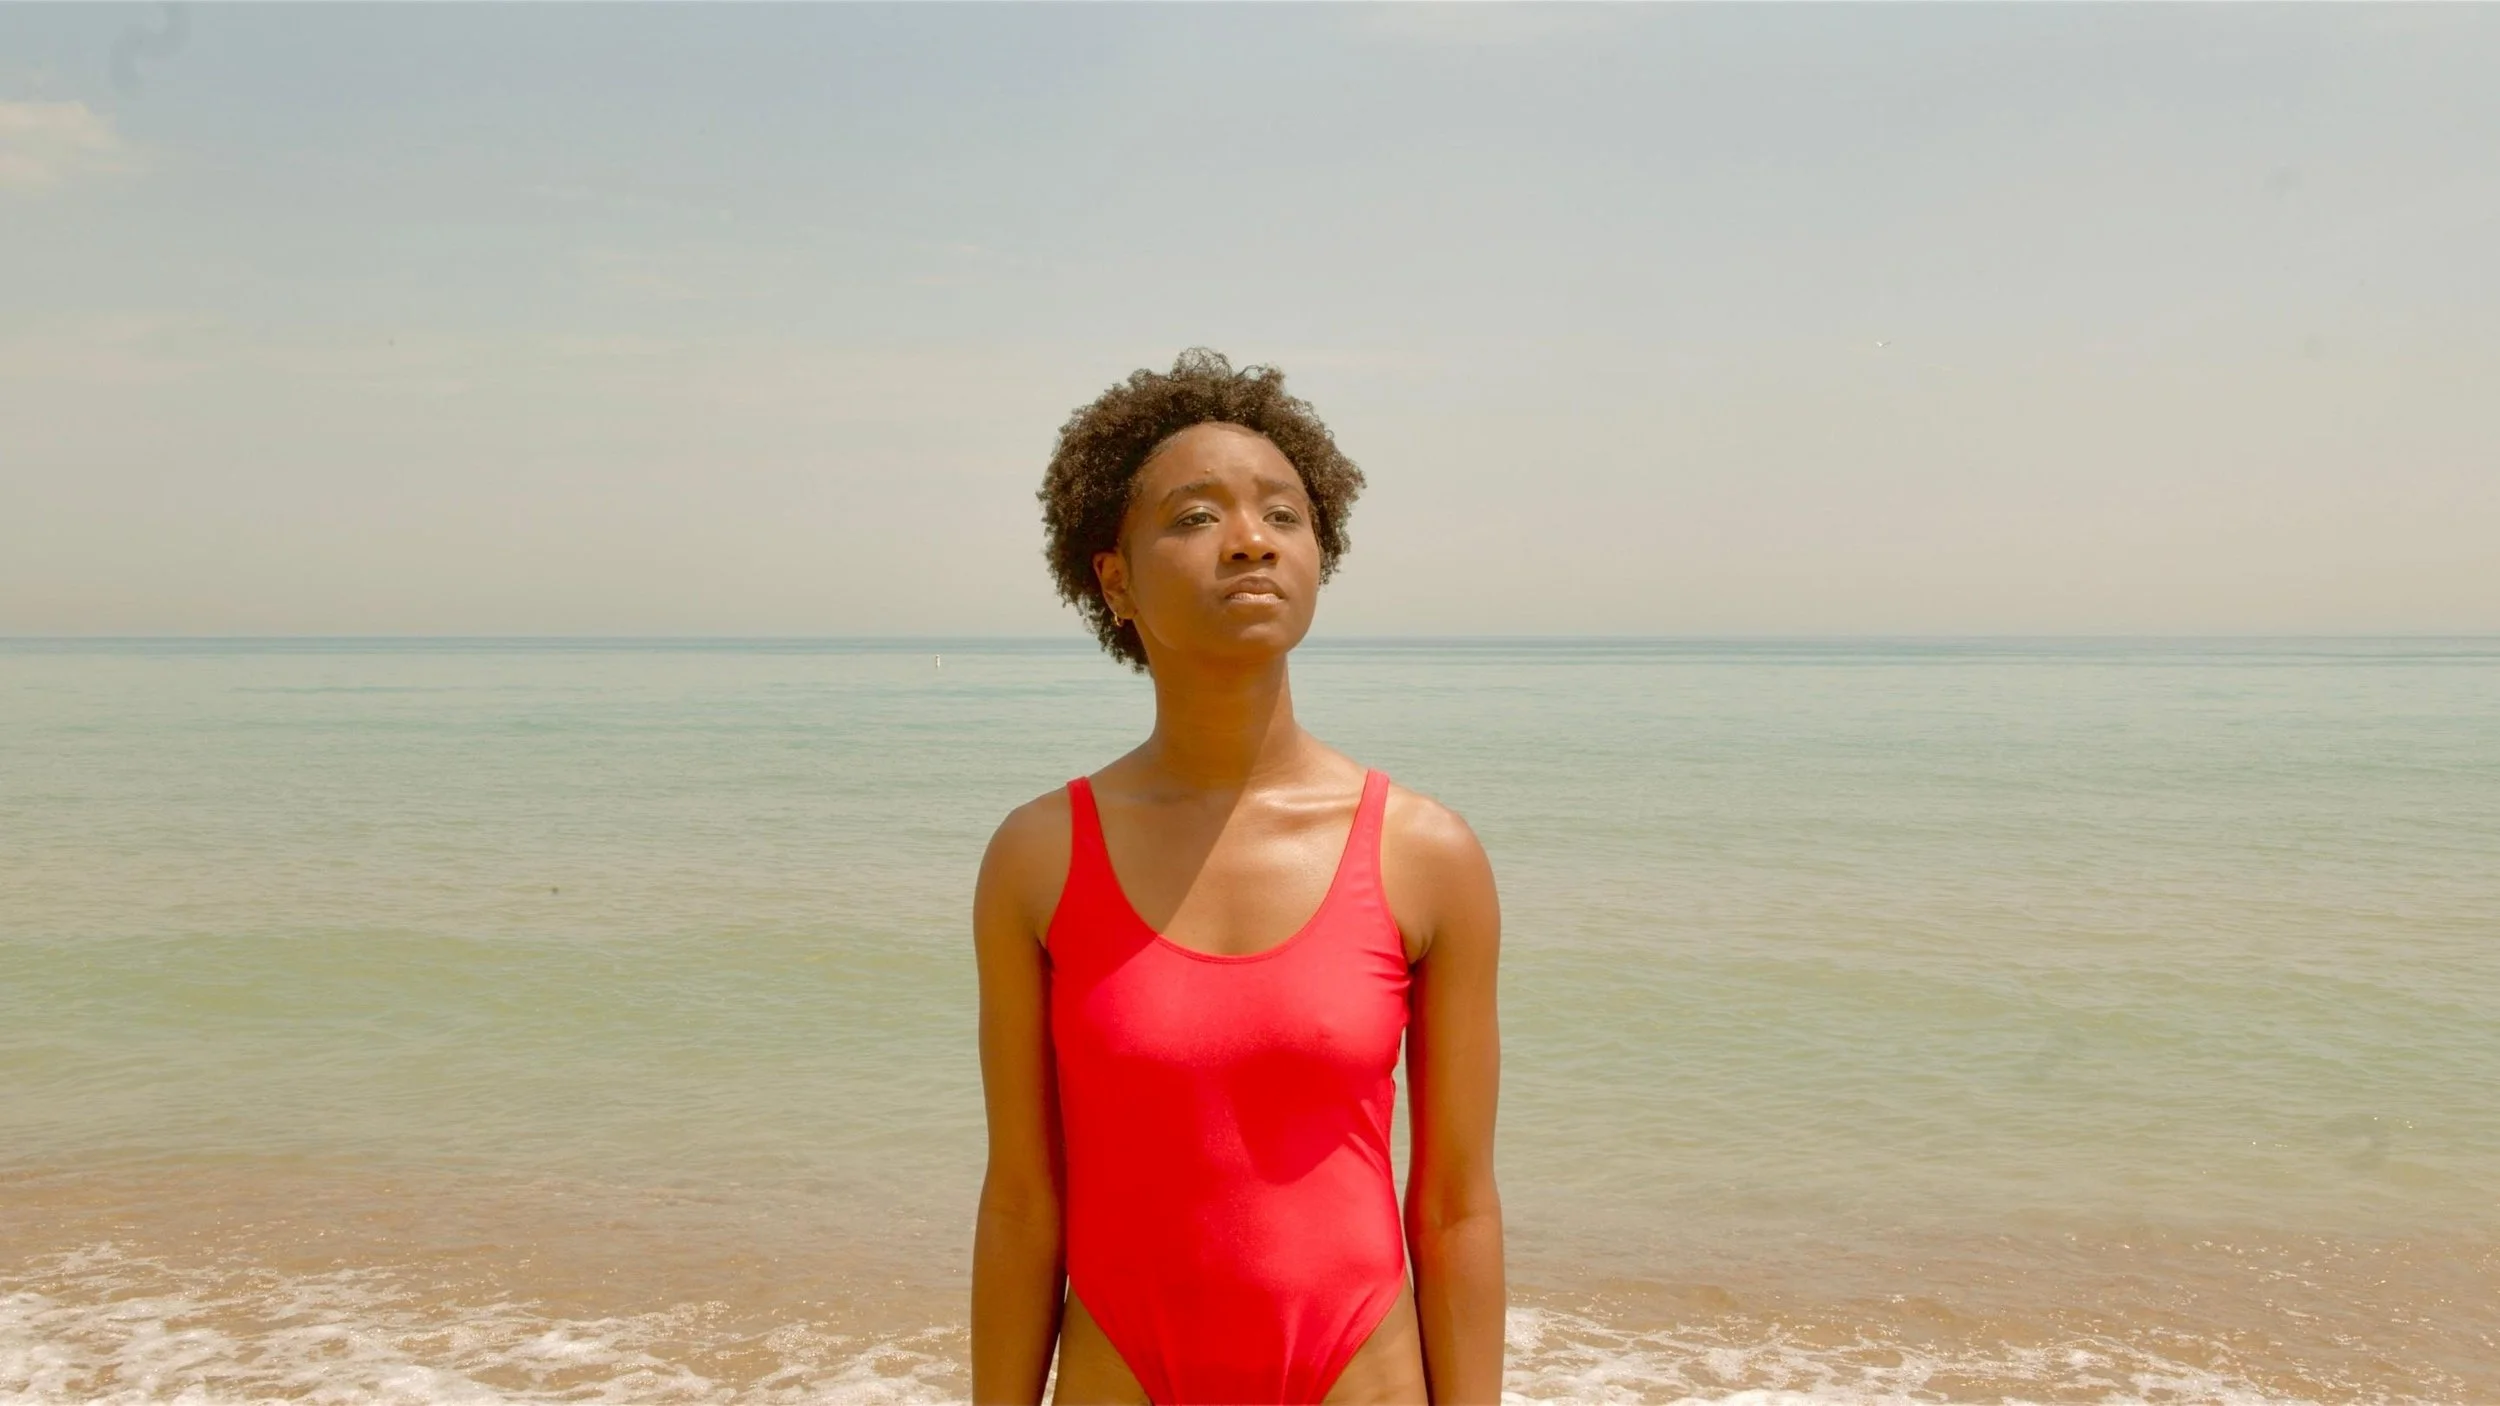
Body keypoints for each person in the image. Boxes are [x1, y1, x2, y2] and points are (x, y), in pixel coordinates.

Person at [969, 351, 1506, 1405]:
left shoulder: (1425, 854)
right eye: (1193, 517)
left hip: (1359, 1374)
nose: (1251, 538)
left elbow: (1452, 1207)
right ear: (1111, 577)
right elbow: (1023, 1204)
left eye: (1283, 515)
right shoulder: (1037, 858)